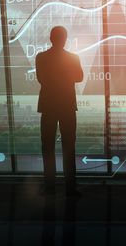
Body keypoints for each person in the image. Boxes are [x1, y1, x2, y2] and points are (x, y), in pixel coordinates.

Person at [35, 26, 83, 196]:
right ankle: (71, 187)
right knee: (69, 147)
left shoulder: (41, 57)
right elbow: (79, 77)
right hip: (67, 106)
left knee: (47, 147)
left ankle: (49, 187)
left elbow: (41, 78)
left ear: (51, 38)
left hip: (48, 106)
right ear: (65, 39)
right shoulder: (73, 58)